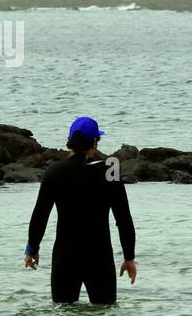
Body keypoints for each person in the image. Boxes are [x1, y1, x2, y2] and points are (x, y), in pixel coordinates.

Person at [24, 116, 137, 304]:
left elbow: (40, 215)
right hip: (99, 259)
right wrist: (129, 257)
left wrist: (32, 249)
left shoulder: (55, 171)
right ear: (95, 141)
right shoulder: (110, 171)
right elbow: (123, 219)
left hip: (65, 258)